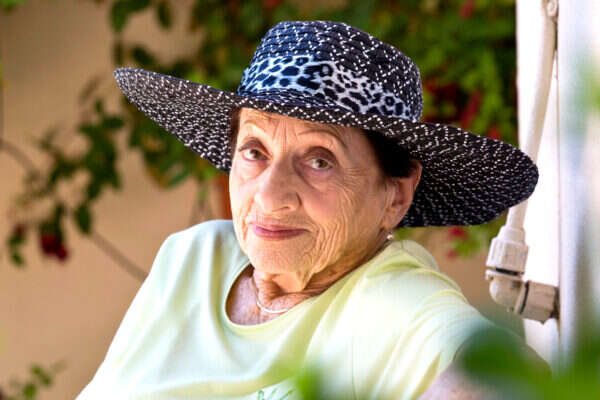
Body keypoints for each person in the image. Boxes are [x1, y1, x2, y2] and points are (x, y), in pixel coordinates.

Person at [77, 20, 545, 399]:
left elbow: (517, 377)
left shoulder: (389, 297)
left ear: (395, 196)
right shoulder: (193, 257)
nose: (269, 196)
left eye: (319, 160)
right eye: (254, 151)